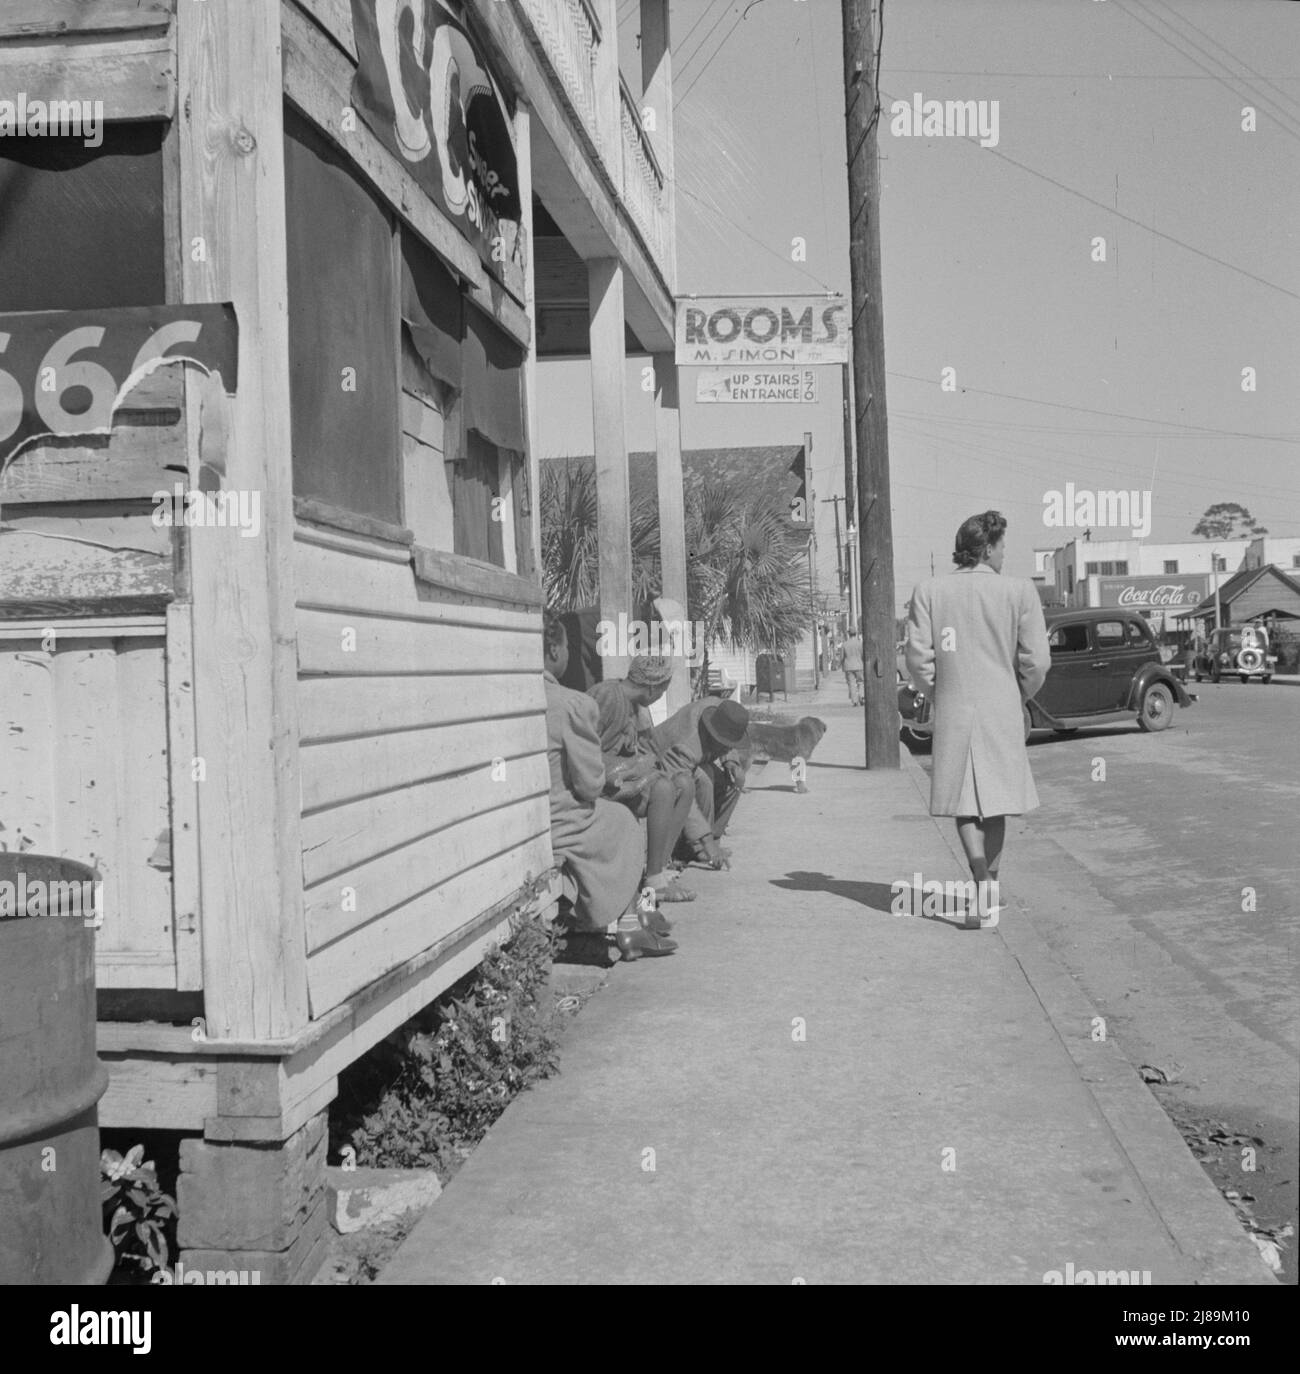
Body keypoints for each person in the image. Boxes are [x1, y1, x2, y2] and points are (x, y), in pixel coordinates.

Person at [905, 511, 1050, 929]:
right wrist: (1020, 692)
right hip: (1002, 707)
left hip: (953, 706)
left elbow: (918, 659)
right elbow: (1037, 660)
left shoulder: (930, 591)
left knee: (963, 801)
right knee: (998, 801)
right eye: (1002, 546)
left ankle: (980, 879)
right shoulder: (1019, 591)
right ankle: (992, 886)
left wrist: (938, 691)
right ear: (988, 548)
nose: (1006, 554)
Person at [543, 615, 675, 957]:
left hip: (533, 811)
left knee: (641, 800)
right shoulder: (575, 703)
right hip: (562, 816)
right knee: (623, 823)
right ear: (554, 649)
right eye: (569, 647)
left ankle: (639, 913)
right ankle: (630, 928)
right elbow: (589, 784)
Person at [589, 657, 698, 905]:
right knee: (661, 788)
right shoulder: (607, 696)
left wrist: (643, 764)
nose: (660, 697)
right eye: (661, 691)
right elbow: (584, 749)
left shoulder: (633, 703)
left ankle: (658, 866)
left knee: (683, 784)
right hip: (599, 782)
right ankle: (654, 882)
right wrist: (632, 767)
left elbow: (643, 748)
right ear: (651, 687)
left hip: (620, 776)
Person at [650, 697, 750, 869]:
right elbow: (684, 798)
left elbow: (728, 737)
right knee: (705, 781)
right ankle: (696, 848)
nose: (727, 749)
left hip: (692, 762)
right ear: (712, 733)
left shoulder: (721, 710)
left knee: (735, 781)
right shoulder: (687, 744)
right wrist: (706, 844)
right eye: (724, 745)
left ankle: (714, 838)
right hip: (660, 767)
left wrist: (731, 762)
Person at [842, 625, 865, 705]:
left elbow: (842, 656)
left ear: (849, 634)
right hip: (859, 665)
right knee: (860, 682)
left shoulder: (845, 644)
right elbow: (863, 655)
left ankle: (854, 701)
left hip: (848, 666)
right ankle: (861, 696)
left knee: (851, 683)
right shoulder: (860, 643)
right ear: (856, 633)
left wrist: (842, 665)